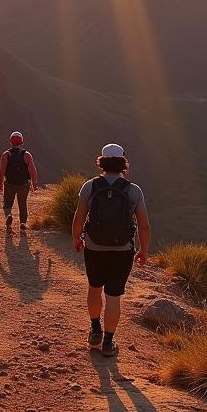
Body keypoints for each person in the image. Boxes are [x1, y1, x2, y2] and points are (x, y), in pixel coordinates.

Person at [71, 143, 150, 357]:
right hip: (122, 250)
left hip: (94, 247)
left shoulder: (90, 186)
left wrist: (77, 238)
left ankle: (95, 330)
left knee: (94, 288)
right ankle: (108, 342)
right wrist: (143, 251)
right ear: (123, 161)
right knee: (113, 296)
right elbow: (144, 225)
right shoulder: (133, 190)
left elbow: (79, 216)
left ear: (102, 161)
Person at [0, 131, 38, 231]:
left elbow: (2, 170)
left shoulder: (6, 154)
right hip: (24, 184)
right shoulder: (27, 155)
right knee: (22, 204)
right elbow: (33, 171)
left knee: (7, 203)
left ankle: (9, 216)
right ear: (22, 142)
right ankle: (23, 223)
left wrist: (1, 183)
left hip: (10, 183)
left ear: (10, 142)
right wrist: (34, 184)